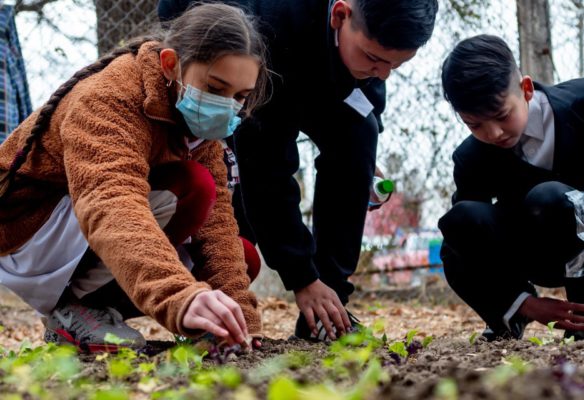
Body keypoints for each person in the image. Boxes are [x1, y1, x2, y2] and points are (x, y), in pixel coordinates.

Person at [158, 0, 438, 341]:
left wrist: (365, 164)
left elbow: (363, 105)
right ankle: (213, 304)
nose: (383, 73)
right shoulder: (272, 31)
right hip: (242, 53)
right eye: (374, 58)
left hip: (313, 56)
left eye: (396, 64)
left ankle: (327, 310)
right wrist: (301, 276)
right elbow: (267, 168)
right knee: (238, 183)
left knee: (359, 139)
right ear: (340, 15)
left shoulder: (367, 50)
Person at [0, 3, 269, 352]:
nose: (227, 107)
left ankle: (92, 310)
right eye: (216, 88)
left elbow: (217, 227)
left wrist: (243, 325)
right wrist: (179, 298)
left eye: (240, 97)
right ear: (171, 65)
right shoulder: (108, 97)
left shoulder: (199, 129)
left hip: (85, 230)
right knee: (192, 186)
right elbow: (111, 203)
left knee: (242, 257)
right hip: (28, 231)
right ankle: (74, 309)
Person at [438, 34, 584, 340]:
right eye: (475, 125)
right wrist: (525, 304)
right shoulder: (471, 156)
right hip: (529, 251)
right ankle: (510, 318)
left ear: (525, 89)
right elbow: (470, 236)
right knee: (454, 231)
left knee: (550, 196)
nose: (494, 132)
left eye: (502, 115)